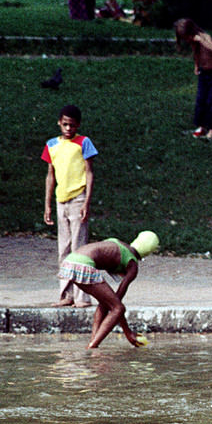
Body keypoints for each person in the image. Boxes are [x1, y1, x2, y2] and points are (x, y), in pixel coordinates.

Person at [59, 231, 159, 348]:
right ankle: (93, 346)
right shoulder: (132, 264)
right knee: (118, 308)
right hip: (83, 265)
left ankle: (92, 343)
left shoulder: (117, 242)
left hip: (69, 262)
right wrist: (128, 333)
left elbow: (109, 304)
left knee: (105, 302)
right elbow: (117, 306)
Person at [43, 105, 98, 308]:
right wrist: (47, 204)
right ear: (59, 123)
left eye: (72, 125)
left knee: (79, 248)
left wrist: (86, 201)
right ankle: (66, 294)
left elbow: (89, 173)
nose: (68, 129)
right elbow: (50, 175)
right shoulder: (51, 145)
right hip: (61, 199)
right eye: (65, 124)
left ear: (78, 125)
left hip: (77, 197)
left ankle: (82, 296)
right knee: (63, 249)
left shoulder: (84, 143)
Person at [174, 19, 212, 139]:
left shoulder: (204, 37)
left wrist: (201, 40)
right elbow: (196, 54)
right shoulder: (193, 42)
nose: (188, 40)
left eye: (187, 37)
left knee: (210, 101)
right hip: (204, 73)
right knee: (200, 100)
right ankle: (202, 125)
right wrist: (197, 66)